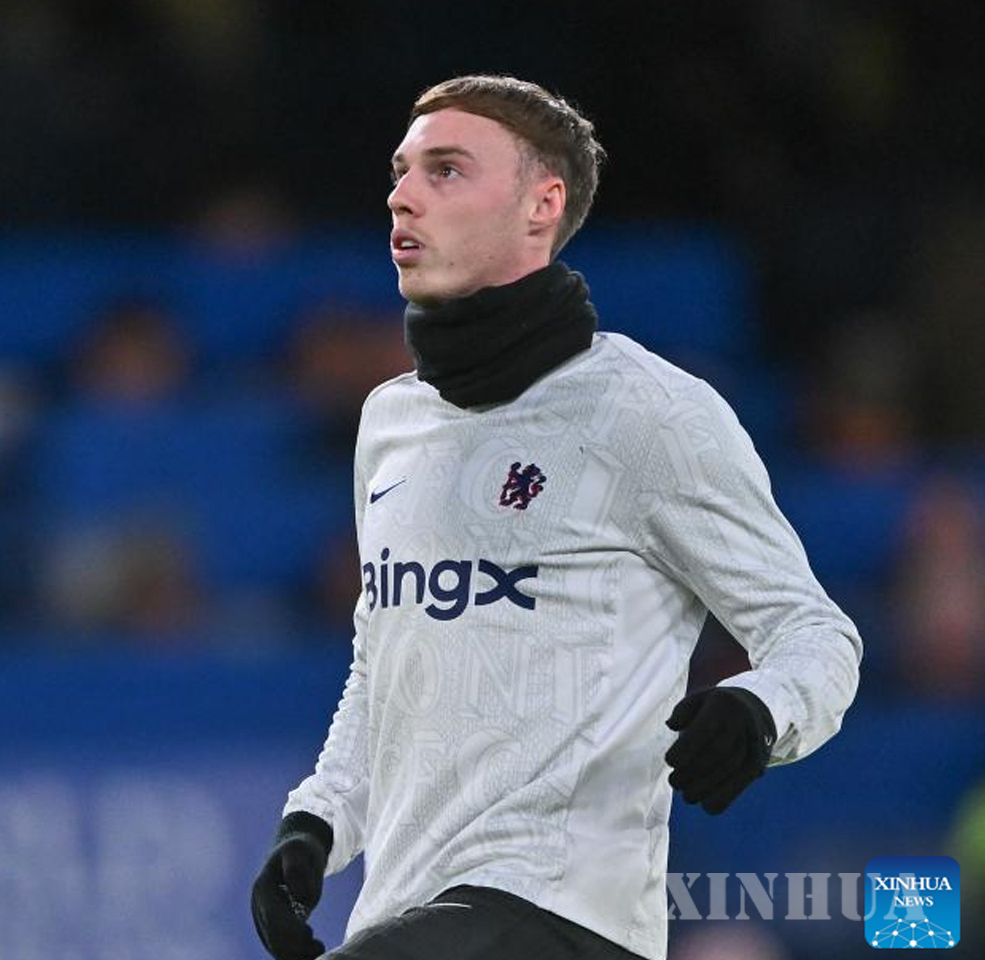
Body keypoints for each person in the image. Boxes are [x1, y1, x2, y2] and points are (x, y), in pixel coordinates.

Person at [250, 75, 862, 960]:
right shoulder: (391, 422)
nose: (403, 194)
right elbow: (386, 657)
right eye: (401, 171)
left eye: (446, 169)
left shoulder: (650, 413)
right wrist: (318, 821)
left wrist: (761, 708)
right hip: (408, 908)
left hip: (568, 915)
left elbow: (815, 633)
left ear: (542, 205)